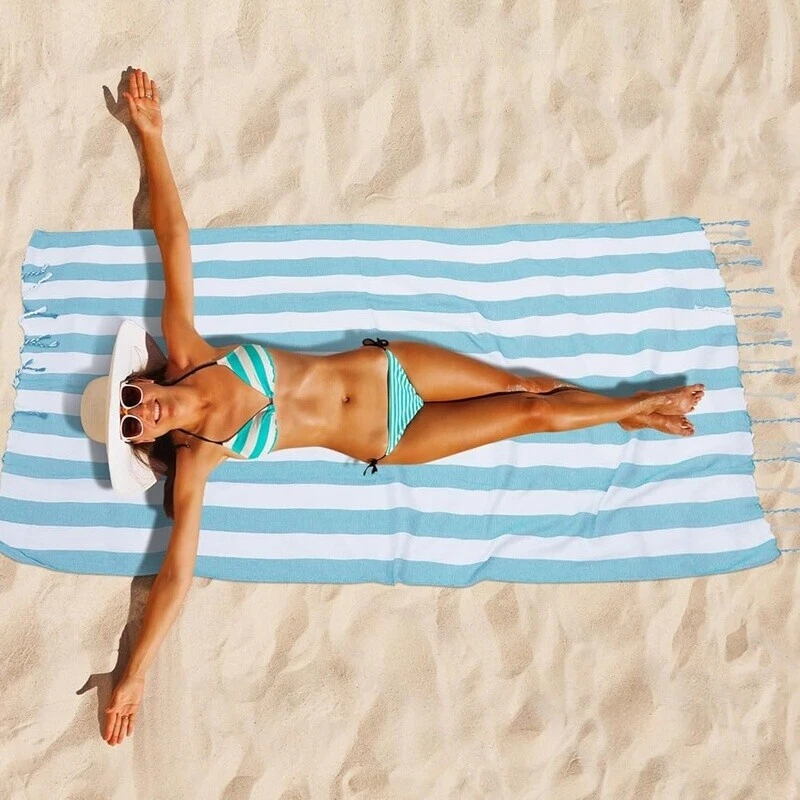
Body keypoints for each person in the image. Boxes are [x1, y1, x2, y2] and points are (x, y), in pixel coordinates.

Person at [86, 68, 705, 746]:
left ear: (140, 380)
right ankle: (639, 405)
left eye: (129, 398)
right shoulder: (197, 460)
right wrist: (135, 674)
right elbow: (176, 575)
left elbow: (174, 240)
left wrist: (151, 137)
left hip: (392, 367)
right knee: (527, 417)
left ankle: (625, 413)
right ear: (141, 441)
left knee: (524, 386)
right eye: (130, 427)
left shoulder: (186, 347)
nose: (141, 414)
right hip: (391, 438)